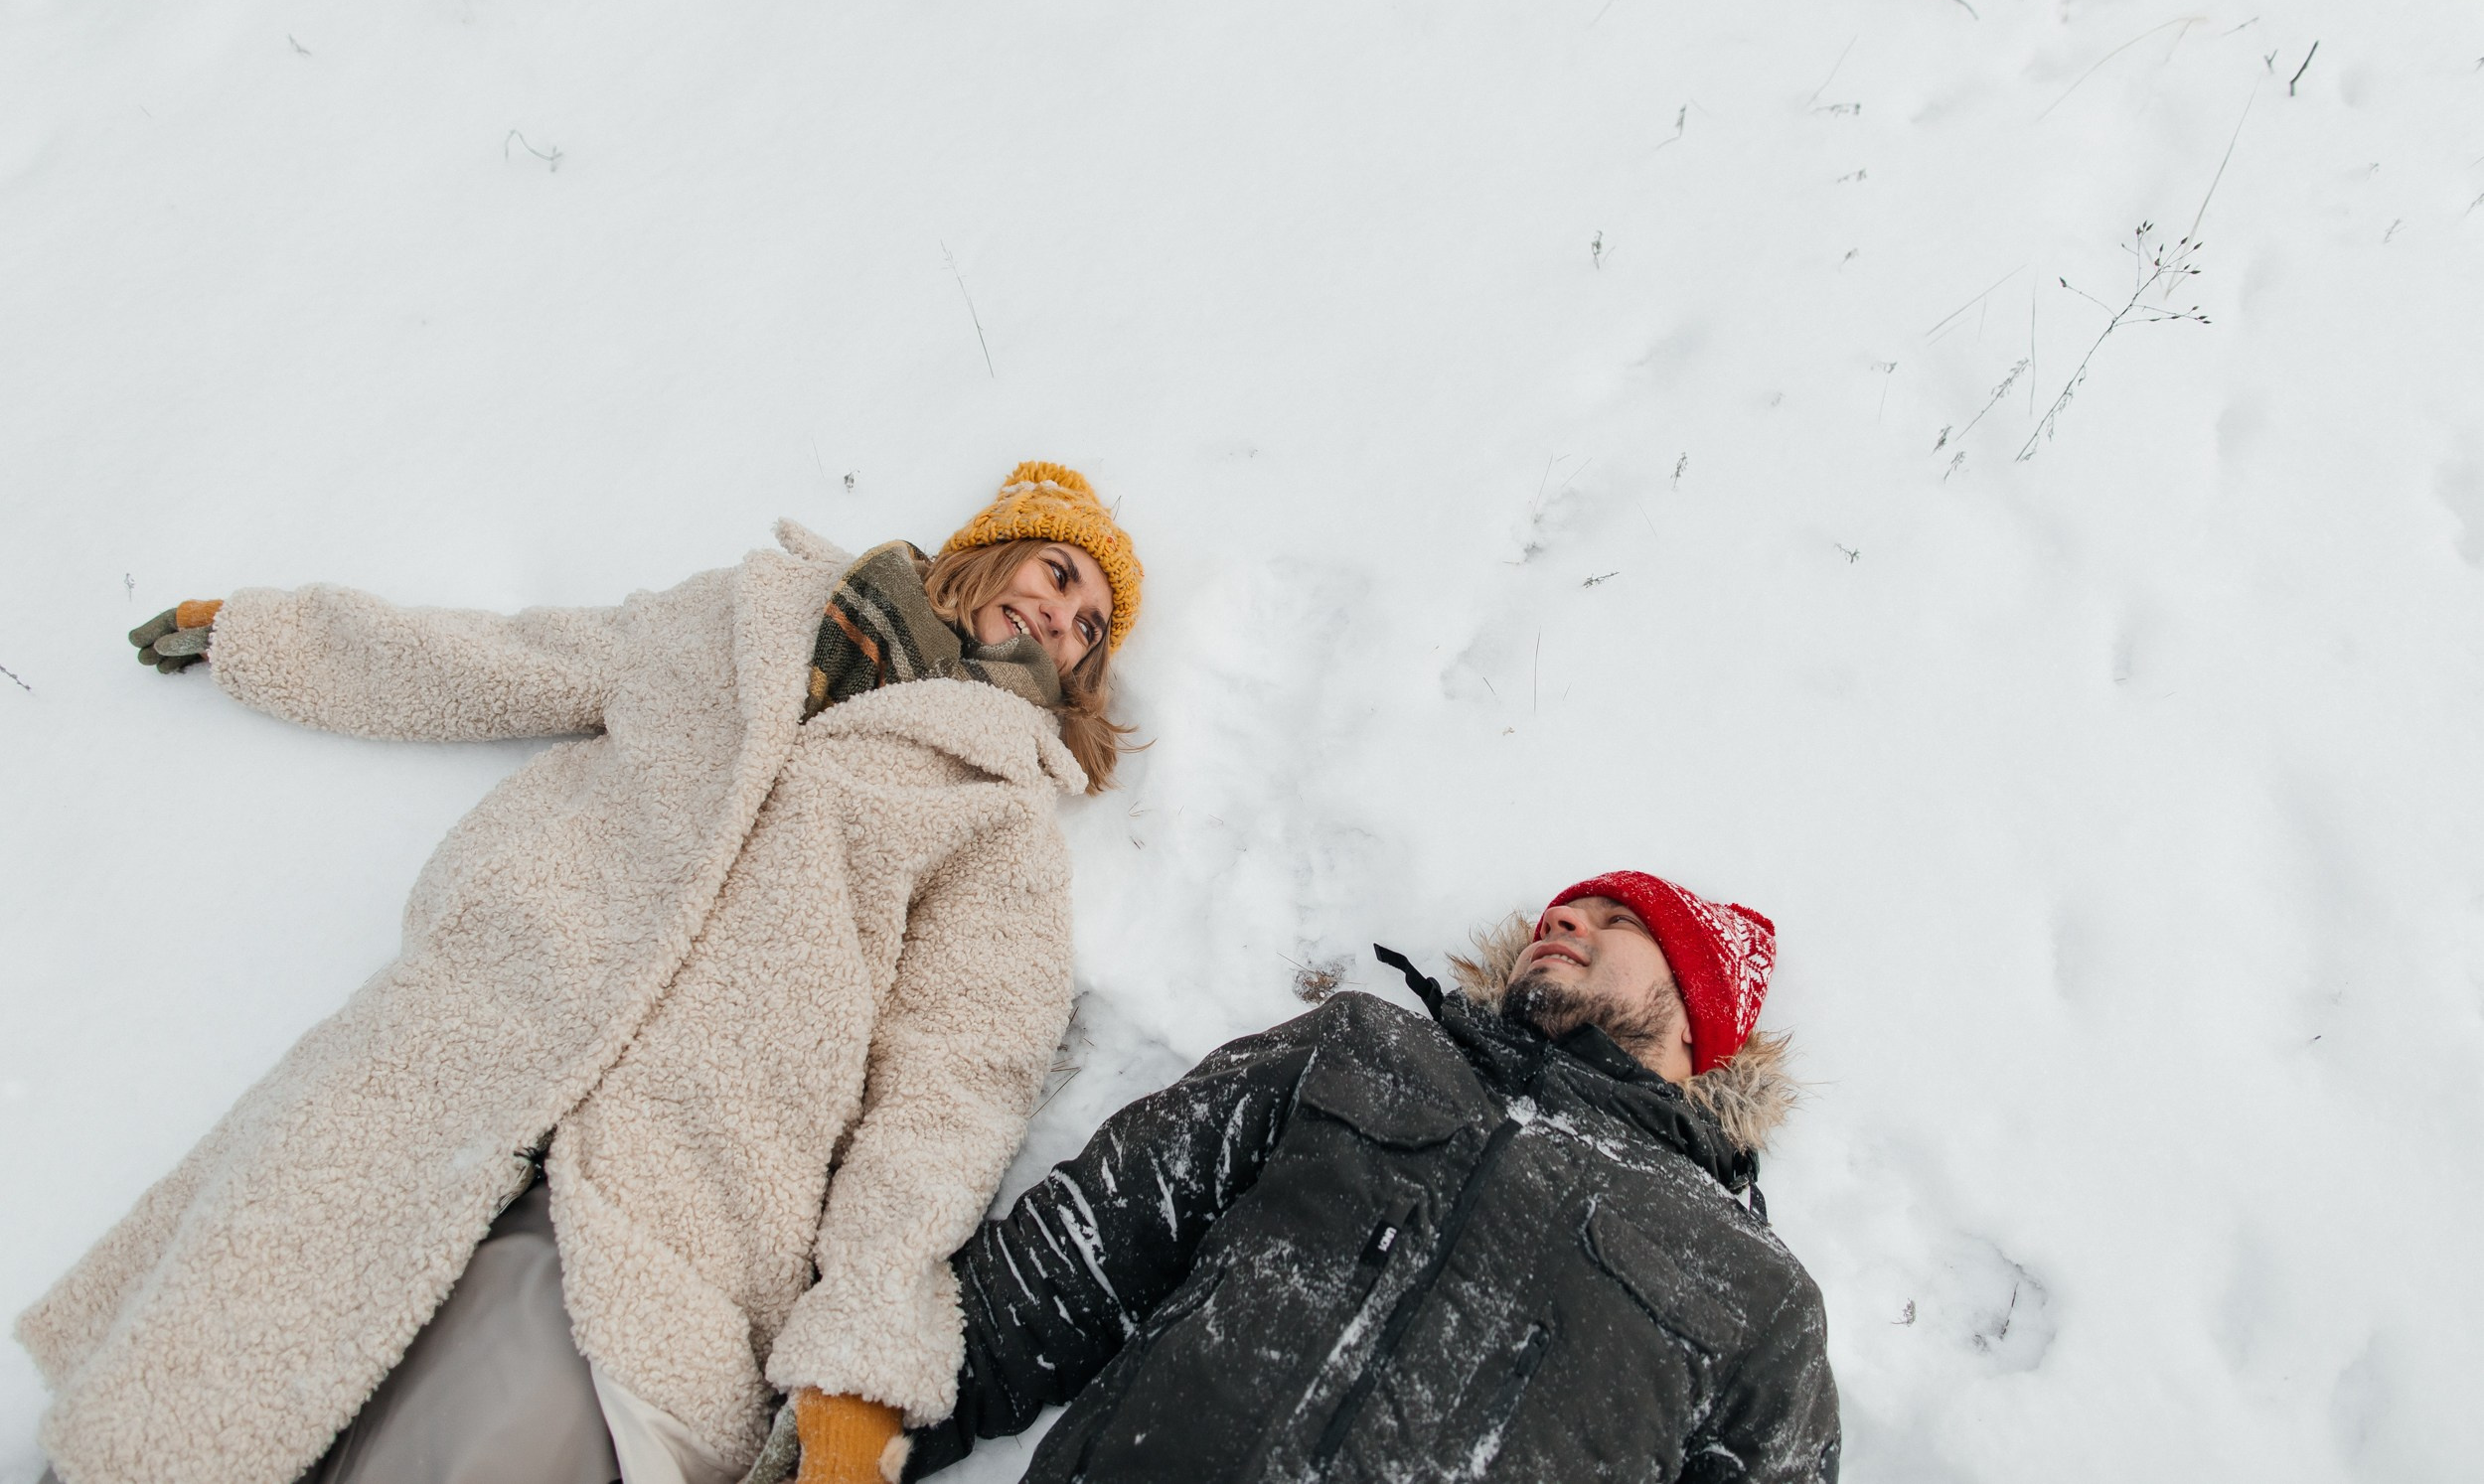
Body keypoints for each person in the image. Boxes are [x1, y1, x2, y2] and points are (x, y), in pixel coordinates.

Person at [18, 464, 1145, 1484]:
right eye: (1058, 573)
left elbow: (956, 1086)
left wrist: (858, 1350)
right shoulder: (743, 617)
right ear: (988, 550)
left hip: (675, 1190)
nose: (1063, 616)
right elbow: (510, 658)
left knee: (477, 1434)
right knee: (227, 1371)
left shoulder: (997, 812)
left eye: (1090, 625)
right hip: (468, 1050)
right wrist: (272, 637)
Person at [837, 869, 1838, 1484]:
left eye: (1617, 919)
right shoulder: (1361, 1046)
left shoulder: (1752, 1288)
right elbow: (1074, 1257)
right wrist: (850, 1432)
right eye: (1563, 905)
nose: (1565, 915)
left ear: (1697, 1012)